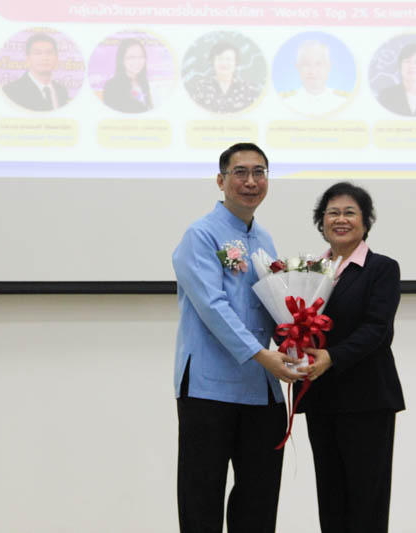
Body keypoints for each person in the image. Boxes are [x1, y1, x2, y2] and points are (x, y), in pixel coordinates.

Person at [172, 143, 305, 533]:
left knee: (259, 501)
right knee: (202, 498)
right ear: (221, 180)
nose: (251, 181)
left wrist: (296, 339)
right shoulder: (200, 235)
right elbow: (212, 307)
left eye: (259, 172)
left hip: (261, 392)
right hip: (209, 389)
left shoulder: (264, 239)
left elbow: (273, 305)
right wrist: (263, 356)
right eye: (240, 172)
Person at [298, 182, 405, 533]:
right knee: (331, 499)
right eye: (332, 213)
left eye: (349, 212)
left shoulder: (381, 268)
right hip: (322, 398)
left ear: (365, 221)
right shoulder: (308, 272)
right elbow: (295, 323)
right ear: (321, 222)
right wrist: (292, 347)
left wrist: (331, 356)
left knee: (366, 502)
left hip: (367, 400)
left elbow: (377, 329)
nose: (340, 219)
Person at [185, 41, 260, 113]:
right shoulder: (200, 88)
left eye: (228, 59)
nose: (224, 63)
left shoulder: (248, 90)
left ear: (236, 63)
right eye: (220, 59)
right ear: (213, 62)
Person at [3, 33, 70, 111]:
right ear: (27, 59)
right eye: (38, 53)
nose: (44, 58)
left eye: (49, 53)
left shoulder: (62, 91)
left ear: (57, 58)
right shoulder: (11, 91)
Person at [281, 40, 349, 116]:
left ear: (328, 66)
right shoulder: (285, 102)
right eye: (306, 64)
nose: (312, 71)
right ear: (298, 67)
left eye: (318, 64)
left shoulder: (343, 101)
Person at [102, 38, 153, 113]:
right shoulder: (112, 86)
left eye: (141, 56)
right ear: (121, 60)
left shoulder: (144, 82)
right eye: (131, 57)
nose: (137, 61)